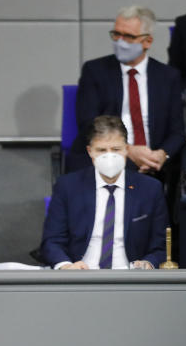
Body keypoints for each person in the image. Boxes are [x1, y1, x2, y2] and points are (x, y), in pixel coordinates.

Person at [69, 6, 185, 183]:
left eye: (129, 37)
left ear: (147, 41)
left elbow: (177, 131)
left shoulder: (168, 76)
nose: (120, 42)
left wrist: (162, 155)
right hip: (107, 152)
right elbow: (89, 124)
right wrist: (128, 150)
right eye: (116, 34)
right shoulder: (95, 71)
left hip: (155, 159)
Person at [41, 115, 169, 269]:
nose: (110, 156)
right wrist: (66, 266)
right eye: (101, 150)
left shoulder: (150, 189)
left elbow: (161, 246)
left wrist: (148, 263)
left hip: (130, 278)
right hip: (81, 275)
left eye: (116, 149)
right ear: (90, 152)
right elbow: (52, 242)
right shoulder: (68, 186)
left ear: (127, 150)